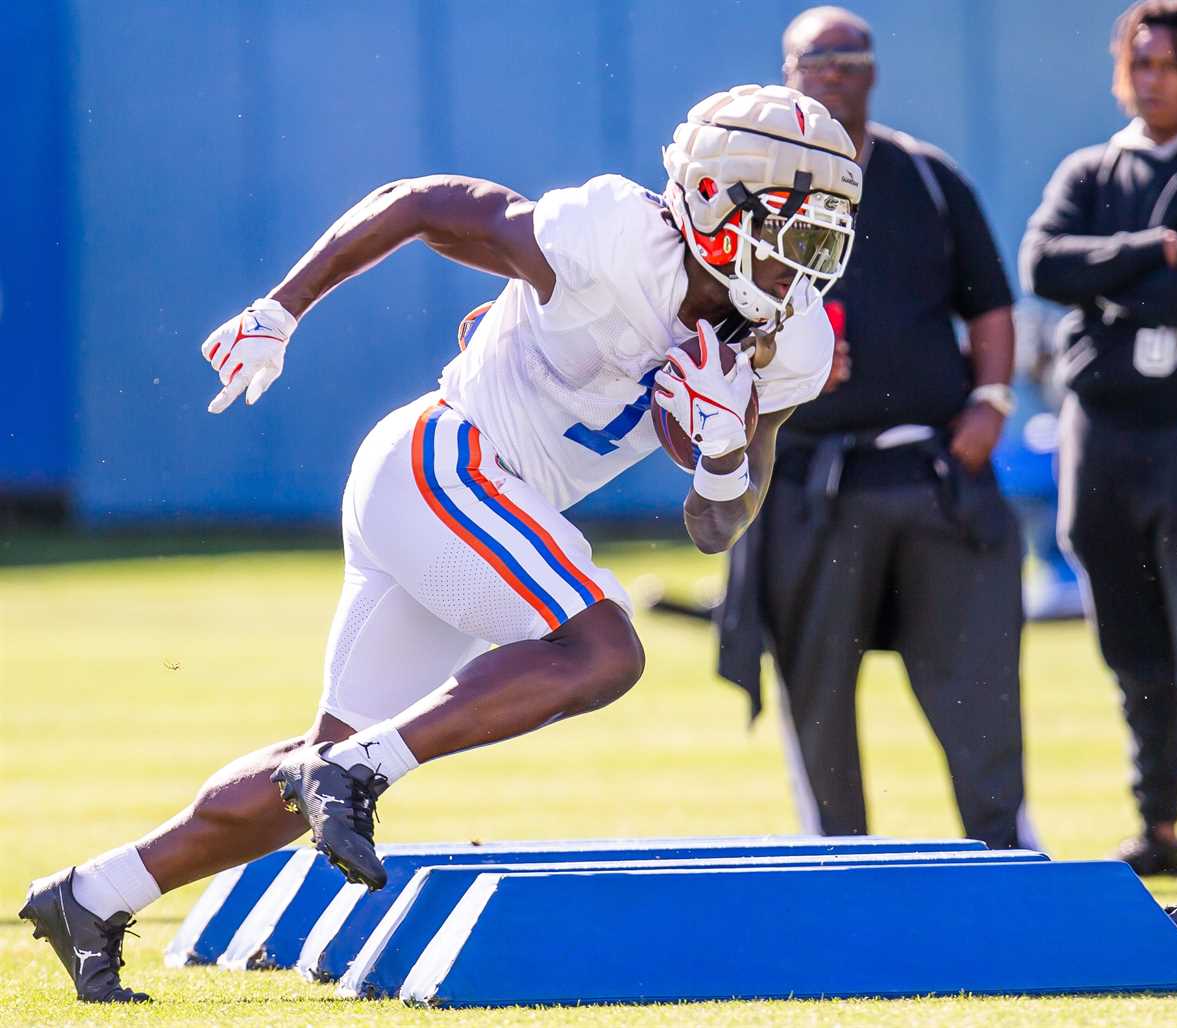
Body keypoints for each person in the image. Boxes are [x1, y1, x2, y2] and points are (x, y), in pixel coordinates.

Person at [19, 84, 862, 1002]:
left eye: (822, 237)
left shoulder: (790, 344)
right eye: (789, 229)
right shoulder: (614, 238)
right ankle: (354, 772)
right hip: (445, 458)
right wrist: (282, 308)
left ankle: (93, 894)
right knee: (603, 649)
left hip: (478, 509)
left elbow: (716, 528)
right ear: (709, 201)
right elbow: (424, 204)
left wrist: (724, 452)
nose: (801, 262)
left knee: (318, 760)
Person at [718, 6, 1032, 851]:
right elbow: (704, 313)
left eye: (845, 61)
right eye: (810, 62)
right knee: (814, 682)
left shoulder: (927, 178)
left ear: (871, 73)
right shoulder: (747, 183)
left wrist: (991, 403)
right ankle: (839, 859)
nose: (827, 75)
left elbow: (993, 305)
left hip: (930, 470)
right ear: (785, 74)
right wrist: (779, 358)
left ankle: (1007, 856)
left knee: (976, 673)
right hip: (809, 475)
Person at [1021, 0, 1177, 882]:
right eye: (1140, 60)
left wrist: (1104, 298)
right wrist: (1146, 251)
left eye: (1169, 62)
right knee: (1129, 642)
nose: (1151, 76)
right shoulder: (1094, 168)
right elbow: (1041, 264)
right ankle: (1156, 823)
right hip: (1105, 432)